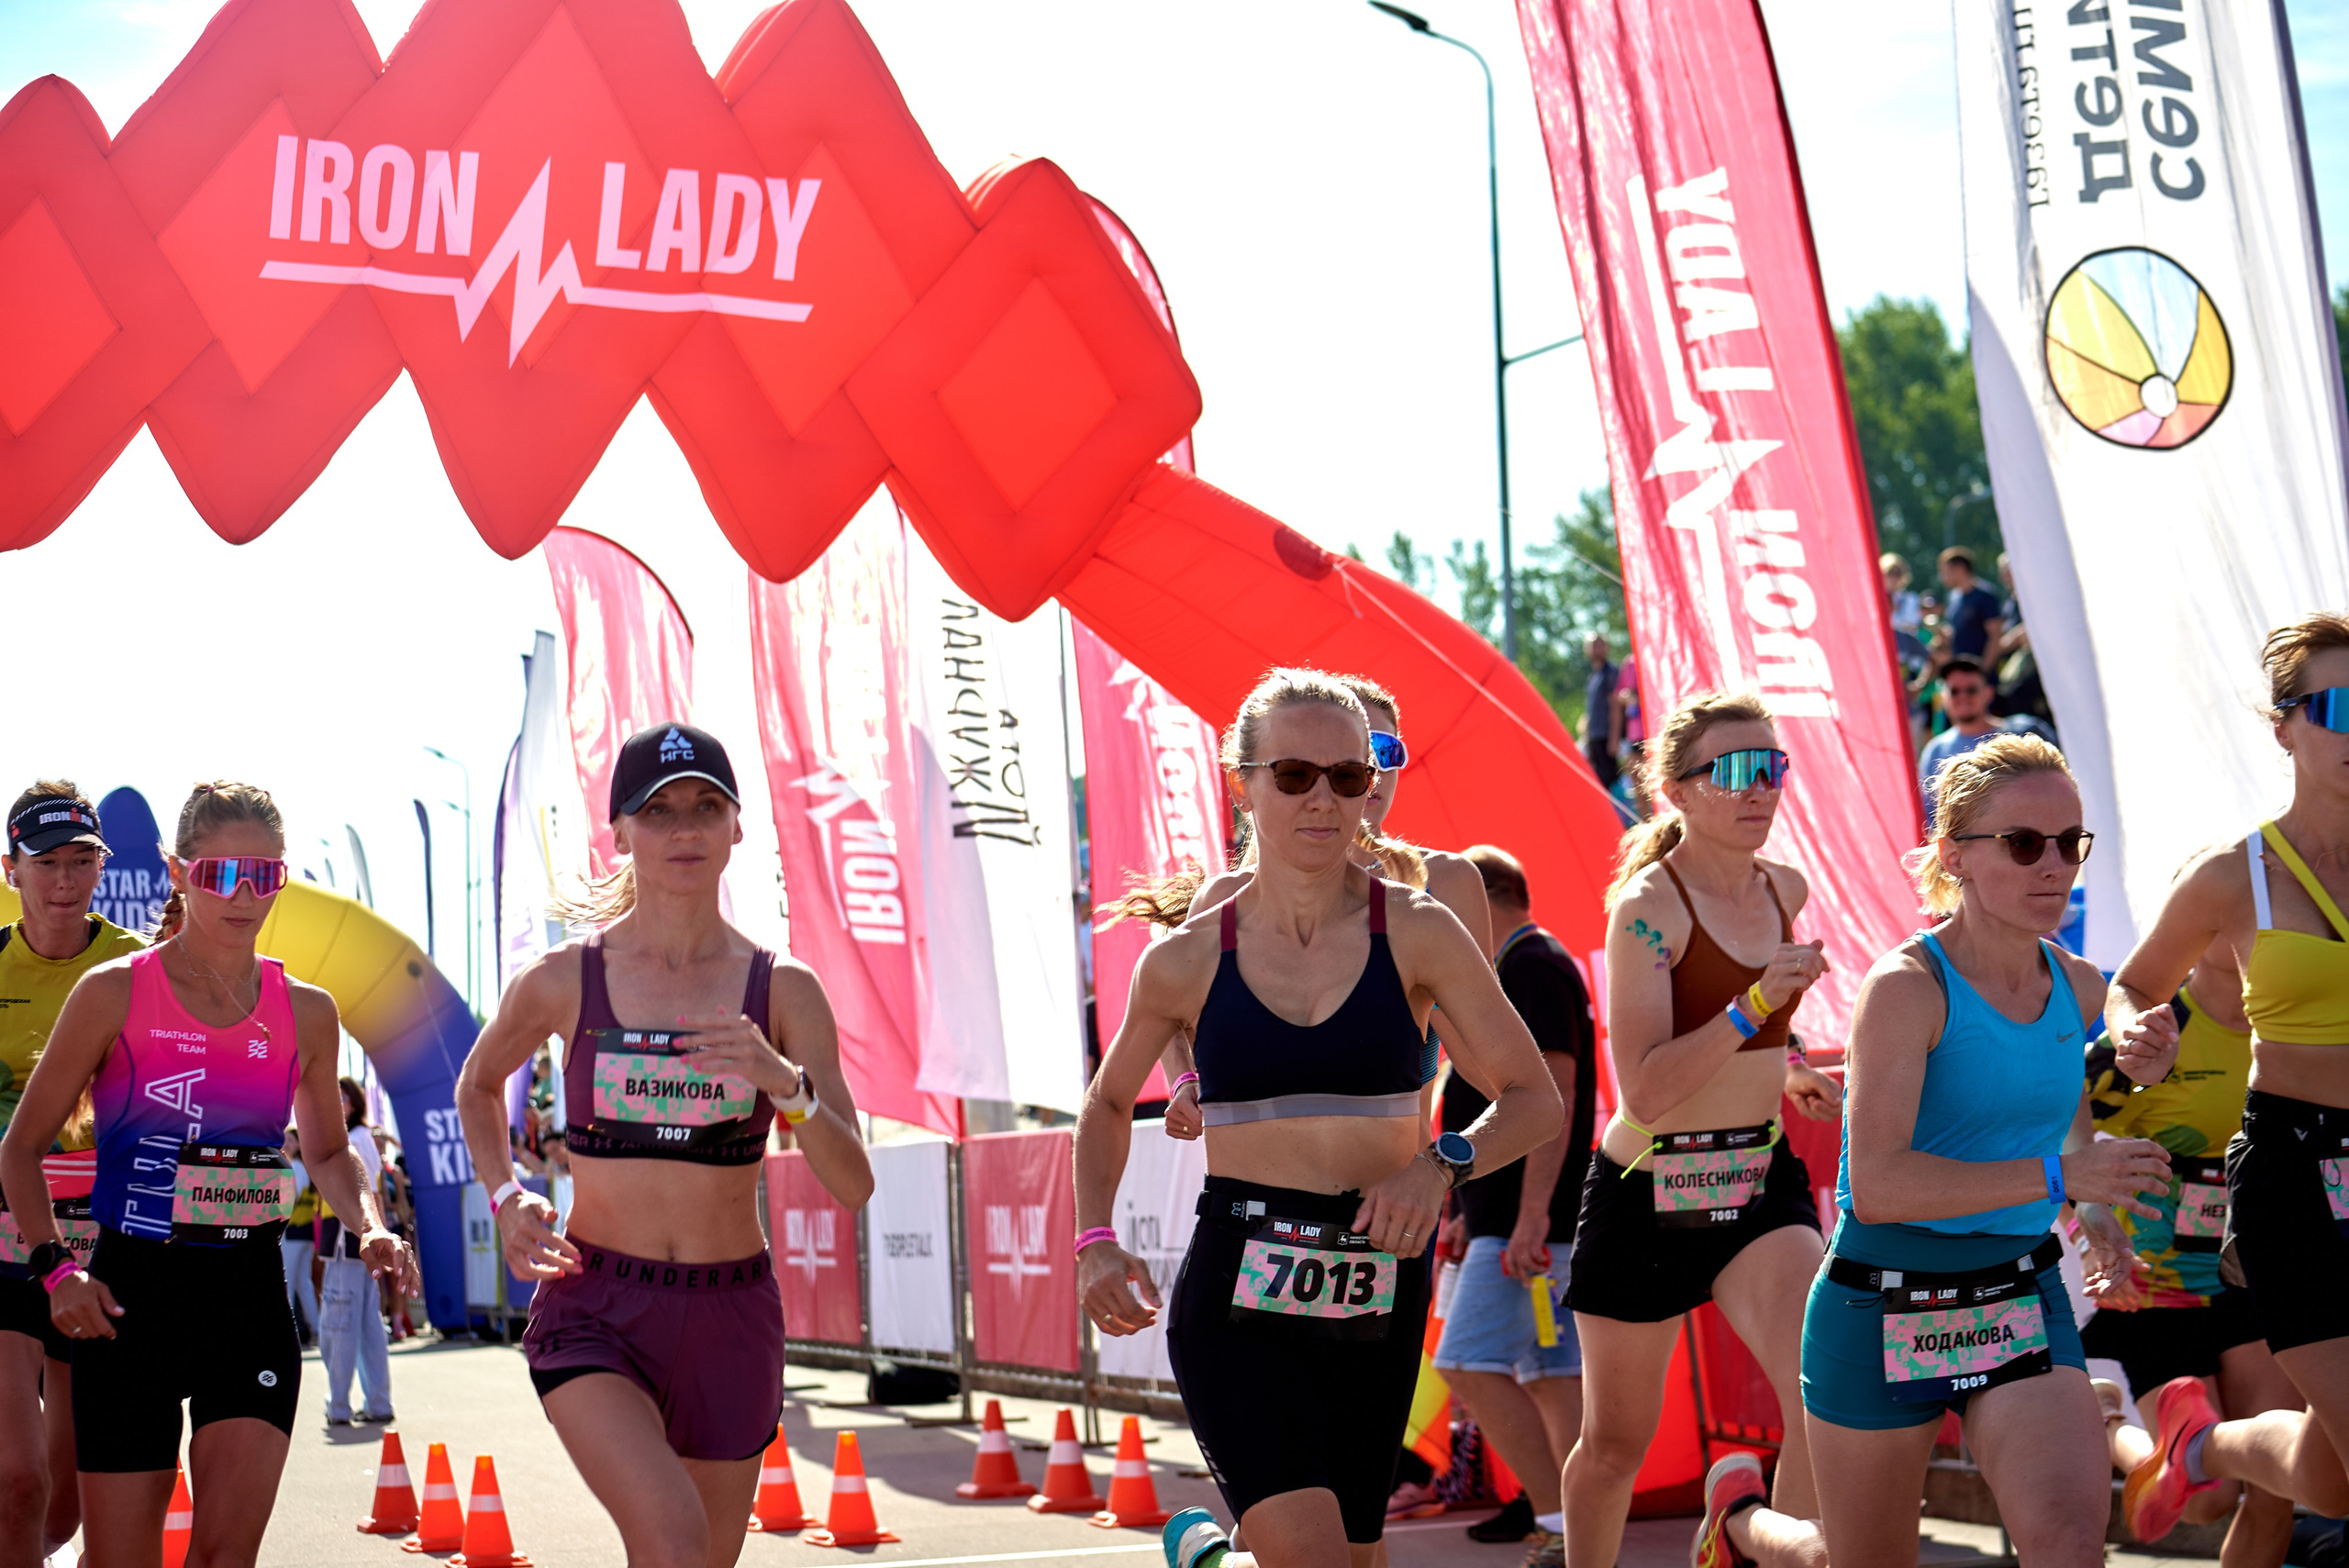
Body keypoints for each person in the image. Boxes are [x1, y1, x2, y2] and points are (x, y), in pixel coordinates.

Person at [1074, 668, 1561, 1568]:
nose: (1326, 797)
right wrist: (1094, 1236)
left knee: (1357, 1557)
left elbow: (1533, 1095)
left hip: (1380, 1279)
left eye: (1348, 774)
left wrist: (1440, 1160)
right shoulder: (1187, 952)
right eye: (1294, 774)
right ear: (1243, 780)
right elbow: (1106, 1098)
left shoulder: (1418, 928)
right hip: (1237, 1289)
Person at [456, 722, 873, 1568]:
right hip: (597, 1306)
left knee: (697, 1561)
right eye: (659, 811)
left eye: (705, 808)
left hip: (731, 1312)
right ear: (620, 833)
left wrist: (782, 1083)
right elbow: (475, 1086)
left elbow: (854, 1178)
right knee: (673, 1539)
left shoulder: (783, 989)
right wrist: (506, 1199)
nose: (684, 829)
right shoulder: (564, 979)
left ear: (736, 827)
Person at [1778, 735, 2175, 1568]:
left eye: (2071, 843)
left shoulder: (2077, 984)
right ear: (1955, 856)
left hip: (2016, 1294)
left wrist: (2094, 1207)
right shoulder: (1904, 988)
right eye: (2026, 843)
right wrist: (2064, 1177)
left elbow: (2063, 1126)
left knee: (2069, 1547)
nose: (2055, 865)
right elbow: (1878, 1184)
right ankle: (1751, 1525)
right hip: (1881, 1302)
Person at [0, 780, 413, 1568]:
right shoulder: (114, 991)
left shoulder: (309, 1009)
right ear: (178, 871)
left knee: (226, 1559)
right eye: (221, 873)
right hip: (130, 1304)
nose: (242, 894)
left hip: (247, 1300)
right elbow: (20, 1148)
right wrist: (57, 1271)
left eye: (264, 876)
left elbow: (327, 1151)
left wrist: (373, 1225)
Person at [1557, 693, 1842, 1568]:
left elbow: (1752, 1037)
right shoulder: (1647, 907)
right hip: (1649, 1186)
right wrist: (1757, 998)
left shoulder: (1784, 888)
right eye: (1736, 770)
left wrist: (1786, 1057)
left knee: (1823, 1393)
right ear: (1677, 790)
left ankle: (1751, 1550)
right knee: (1614, 1447)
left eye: (1773, 766)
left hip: (1757, 1180)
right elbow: (1642, 1088)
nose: (1761, 789)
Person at [2100, 615, 2349, 1540]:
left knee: (2332, 1474)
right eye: (2336, 707)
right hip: (2293, 1171)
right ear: (2284, 725)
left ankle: (2199, 1447)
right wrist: (2138, 1030)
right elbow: (2132, 980)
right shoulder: (2231, 874)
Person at [1155, 673, 1492, 1139]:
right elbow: (1163, 1012)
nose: (1370, 769)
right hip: (1255, 1193)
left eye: (1385, 751)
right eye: (1348, 757)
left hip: (1392, 1195)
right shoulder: (1229, 898)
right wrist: (1184, 1082)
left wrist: (1420, 964)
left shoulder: (1446, 885)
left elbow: (1493, 1074)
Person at [2079, 930, 2302, 1565]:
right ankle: (2108, 1422)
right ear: (2194, 930)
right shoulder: (2154, 1033)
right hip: (2157, 1285)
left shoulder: (2295, 1028)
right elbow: (2068, 1143)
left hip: (2252, 1277)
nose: (2250, 933)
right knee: (2207, 1497)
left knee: (2274, 1489)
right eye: (2231, 917)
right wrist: (2099, 1233)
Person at [1429, 845, 1596, 1568]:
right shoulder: (1525, 965)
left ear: (1490, 895)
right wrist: (1474, 1206)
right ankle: (1581, 1528)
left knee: (1465, 1360)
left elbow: (1549, 1097)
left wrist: (1528, 1217)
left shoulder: (1532, 965)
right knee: (1550, 1376)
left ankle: (1561, 1523)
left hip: (1534, 1228)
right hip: (1518, 1223)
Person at [0, 783, 143, 1565]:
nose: (64, 881)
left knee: (63, 1505)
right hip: (6, 1238)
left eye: (82, 861)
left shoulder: (139, 966)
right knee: (17, 1481)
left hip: (106, 1243)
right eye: (45, 863)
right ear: (10, 869)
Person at [317, 1075, 394, 1426]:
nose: (337, 1103)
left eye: (343, 1097)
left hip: (350, 1242)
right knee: (365, 1325)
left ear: (356, 1102)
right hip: (359, 1241)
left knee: (340, 1324)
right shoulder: (357, 1137)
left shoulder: (352, 1139)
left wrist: (371, 1236)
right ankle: (375, 1402)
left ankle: (339, 1405)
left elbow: (368, 1195)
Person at [1918, 660, 2001, 827]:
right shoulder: (1935, 750)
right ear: (1943, 697)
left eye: (1971, 690)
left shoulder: (2019, 734)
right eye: (1954, 691)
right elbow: (1928, 816)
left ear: (1988, 693)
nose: (1963, 697)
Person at [281, 1126, 320, 1345]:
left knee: (288, 1284)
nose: (286, 1143)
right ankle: (316, 1329)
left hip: (292, 1232)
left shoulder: (294, 1167)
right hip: (305, 1234)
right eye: (284, 1139)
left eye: (291, 1140)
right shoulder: (307, 1168)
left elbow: (289, 1201)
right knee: (303, 1283)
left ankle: (290, 1334)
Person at [1936, 548, 2003, 662]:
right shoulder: (1953, 597)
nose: (1942, 577)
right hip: (1958, 670)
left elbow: (1995, 636)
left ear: (1960, 568)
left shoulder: (1985, 595)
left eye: (1945, 571)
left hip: (1979, 672)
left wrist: (1984, 671)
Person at [1582, 637, 1621, 793]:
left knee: (1610, 779)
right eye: (1592, 645)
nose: (1595, 649)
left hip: (1607, 735)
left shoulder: (1610, 673)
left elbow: (1615, 706)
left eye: (1598, 645)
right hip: (1594, 736)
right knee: (1598, 779)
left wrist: (1614, 738)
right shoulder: (1593, 676)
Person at [1881, 553, 1922, 638]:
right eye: (1889, 572)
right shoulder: (1875, 600)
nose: (1894, 578)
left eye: (1897, 573)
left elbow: (1912, 625)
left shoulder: (1911, 599)